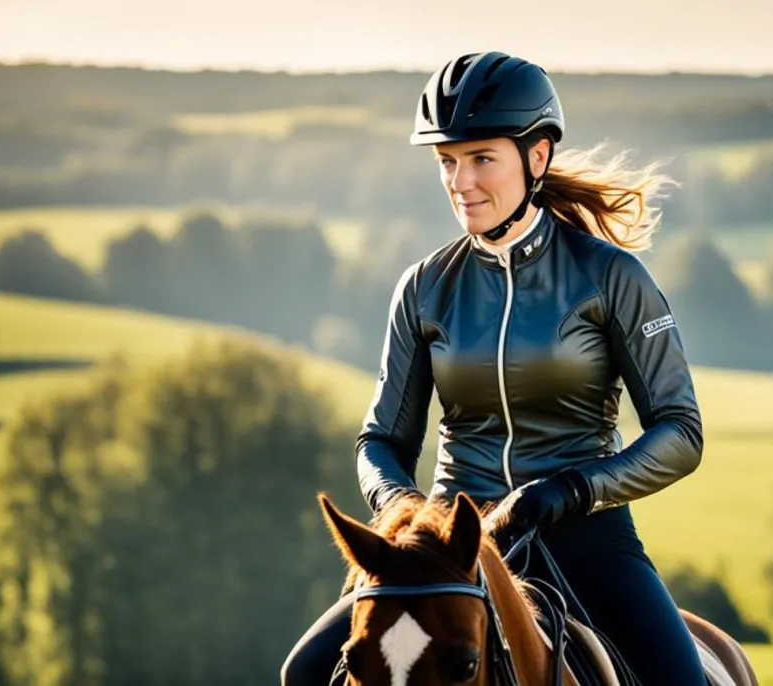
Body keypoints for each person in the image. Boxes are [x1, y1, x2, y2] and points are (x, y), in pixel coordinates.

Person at [281, 50, 707, 685]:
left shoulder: (611, 277)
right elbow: (381, 439)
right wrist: (407, 513)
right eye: (447, 162)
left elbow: (681, 431)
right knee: (304, 672)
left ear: (537, 157)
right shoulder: (423, 287)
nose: (460, 182)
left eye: (482, 158)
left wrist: (571, 490)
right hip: (447, 548)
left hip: (587, 535)